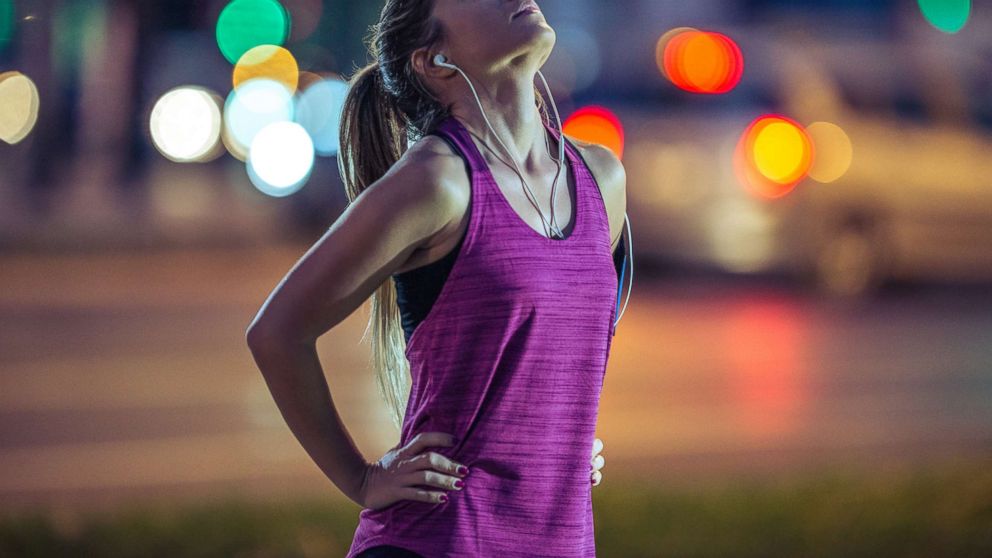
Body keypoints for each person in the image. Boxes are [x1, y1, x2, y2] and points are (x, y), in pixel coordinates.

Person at [246, 0, 627, 556]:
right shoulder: (437, 181)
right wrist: (361, 479)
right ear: (435, 60)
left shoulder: (602, 178)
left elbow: (560, 351)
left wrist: (558, 436)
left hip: (561, 540)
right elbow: (277, 333)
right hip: (440, 538)